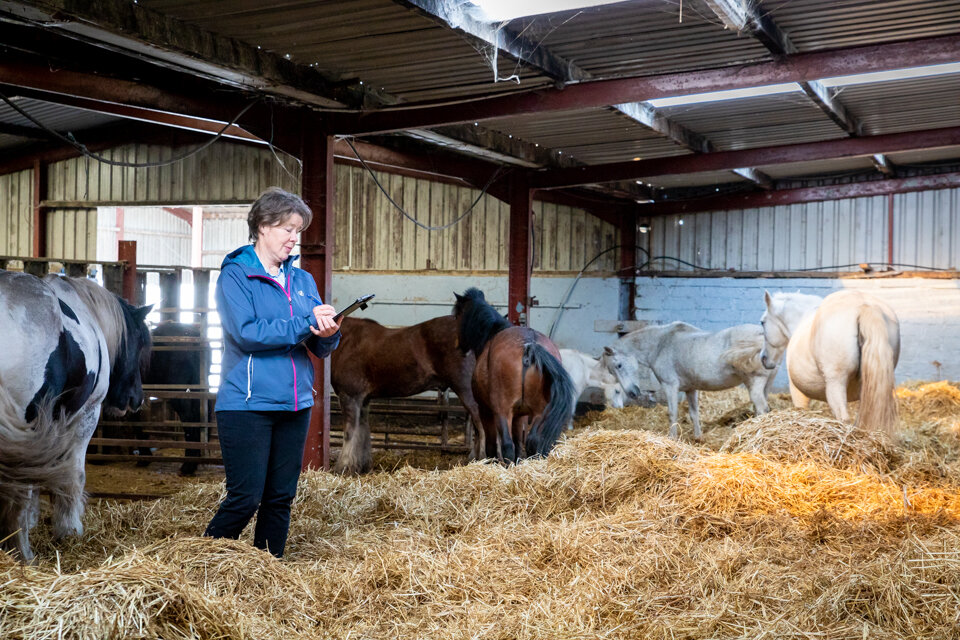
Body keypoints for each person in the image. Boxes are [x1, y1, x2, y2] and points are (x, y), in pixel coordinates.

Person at [204, 186, 340, 558]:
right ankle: (200, 565)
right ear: (263, 226)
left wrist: (329, 333)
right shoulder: (236, 275)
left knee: (280, 497)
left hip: (294, 403)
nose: (294, 239)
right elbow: (247, 333)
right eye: (288, 229)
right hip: (247, 403)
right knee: (246, 497)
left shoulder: (303, 281)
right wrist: (303, 322)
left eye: (298, 230)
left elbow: (318, 346)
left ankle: (268, 573)